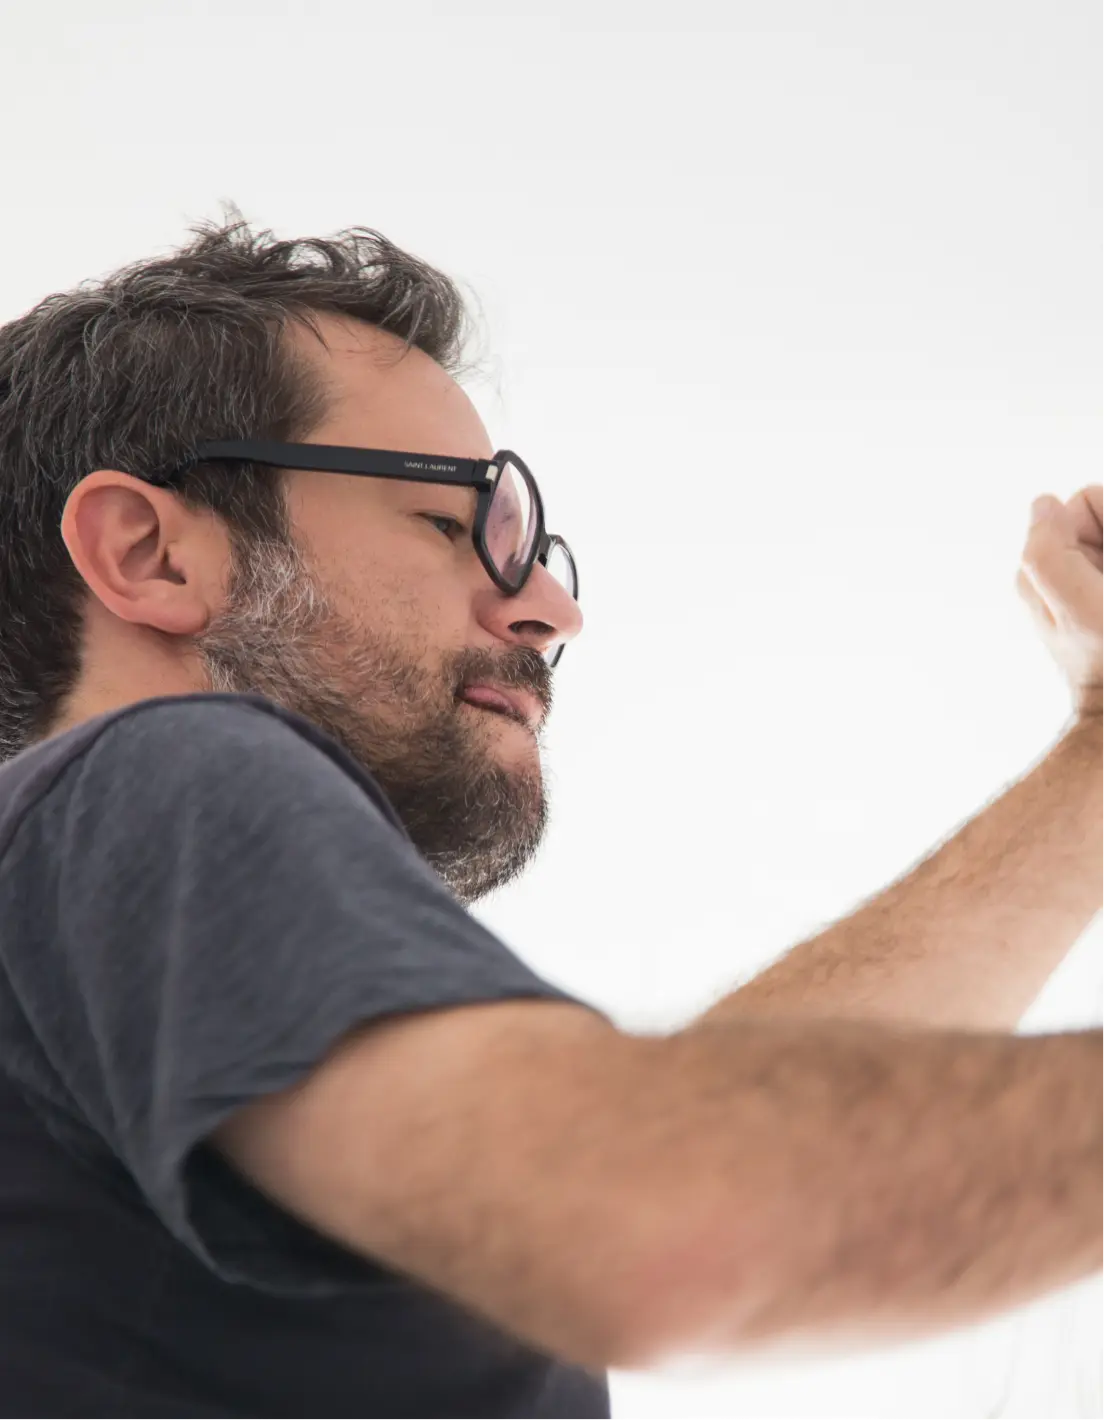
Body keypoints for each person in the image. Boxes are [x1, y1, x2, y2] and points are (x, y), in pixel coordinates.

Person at [0, 214, 1103, 1420]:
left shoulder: (81, 918)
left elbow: (696, 1141)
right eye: (455, 520)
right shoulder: (162, 773)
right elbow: (668, 1216)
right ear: (151, 554)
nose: (549, 607)